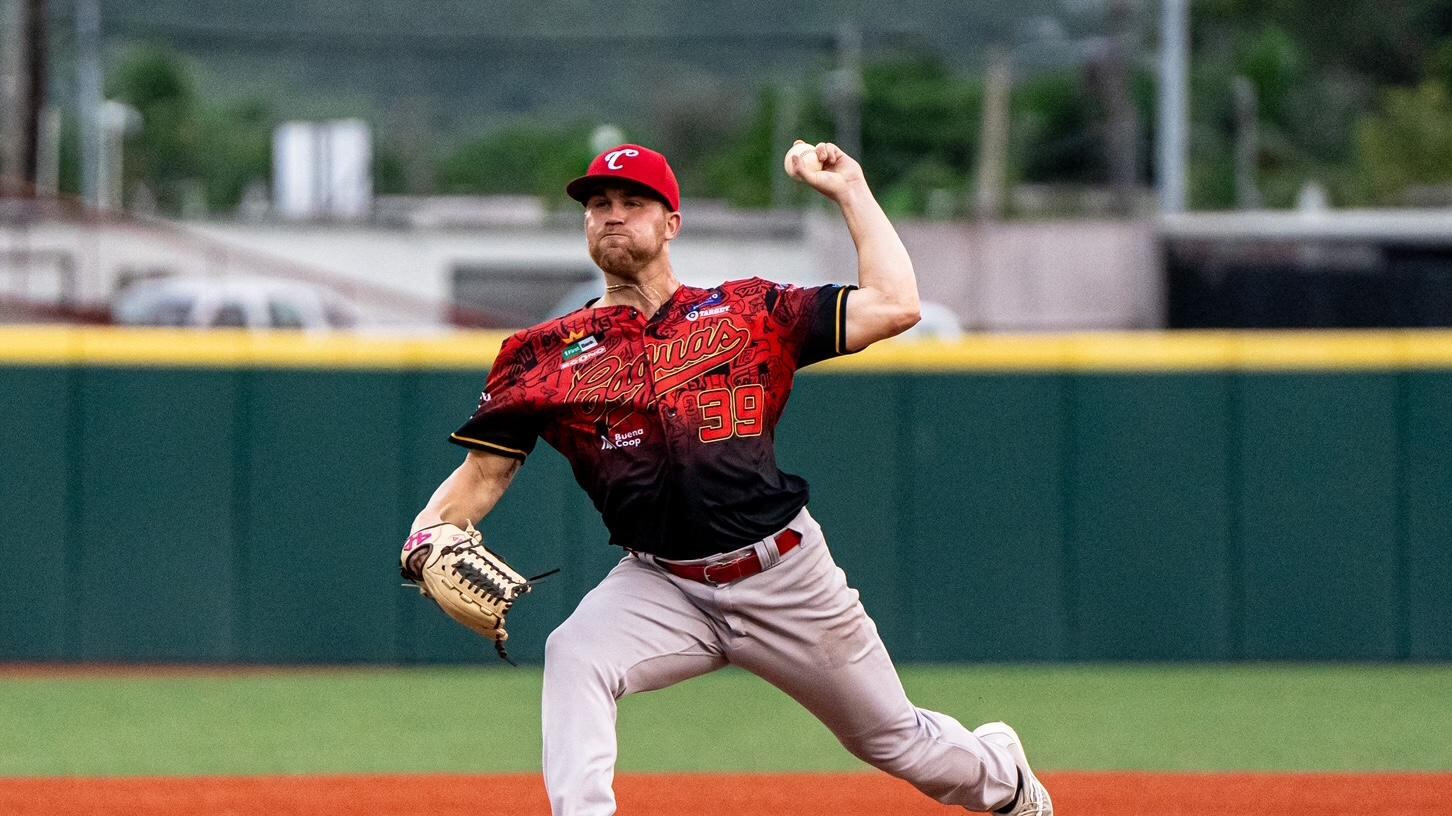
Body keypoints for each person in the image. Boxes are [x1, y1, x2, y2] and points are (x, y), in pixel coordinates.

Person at [404, 142, 1053, 816]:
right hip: (662, 583)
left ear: (671, 223)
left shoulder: (750, 312)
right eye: (599, 205)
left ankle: (1002, 777)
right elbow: (483, 473)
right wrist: (428, 531)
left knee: (899, 743)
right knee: (576, 654)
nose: (613, 215)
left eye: (633, 203)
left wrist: (852, 189)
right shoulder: (540, 356)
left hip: (784, 575)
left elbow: (895, 305)